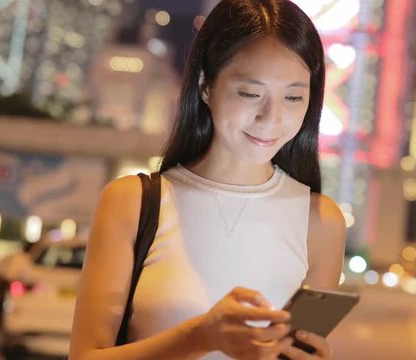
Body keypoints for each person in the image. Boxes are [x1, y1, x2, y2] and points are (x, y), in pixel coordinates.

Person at [69, 0, 346, 359]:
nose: (271, 117)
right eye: (250, 93)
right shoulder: (133, 203)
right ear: (205, 86)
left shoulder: (321, 222)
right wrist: (201, 336)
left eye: (294, 96)